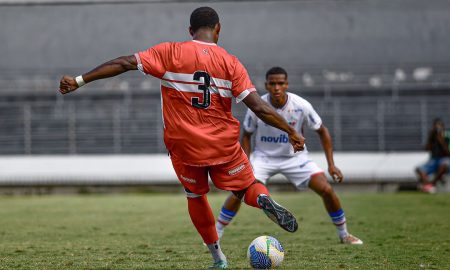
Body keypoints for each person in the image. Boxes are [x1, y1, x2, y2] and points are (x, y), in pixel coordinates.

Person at [59, 7, 305, 269]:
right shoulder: (231, 63)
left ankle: (218, 259)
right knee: (245, 188)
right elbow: (258, 107)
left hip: (185, 146)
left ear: (190, 31)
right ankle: (261, 199)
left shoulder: (170, 52)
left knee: (195, 195)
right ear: (218, 29)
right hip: (223, 145)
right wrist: (290, 131)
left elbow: (124, 63)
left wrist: (79, 80)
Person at [215, 67, 363, 245]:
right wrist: (246, 162)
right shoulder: (257, 105)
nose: (276, 87)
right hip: (263, 158)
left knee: (327, 189)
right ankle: (217, 232)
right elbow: (246, 135)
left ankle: (344, 234)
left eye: (280, 83)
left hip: (295, 158)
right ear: (266, 85)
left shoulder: (301, 105)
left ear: (287, 84)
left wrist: (331, 165)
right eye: (272, 84)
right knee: (239, 191)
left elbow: (323, 131)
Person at [416, 118, 450, 193]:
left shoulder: (447, 136)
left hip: (445, 159)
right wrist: (430, 137)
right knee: (420, 169)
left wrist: (441, 140)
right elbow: (427, 149)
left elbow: (448, 152)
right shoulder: (432, 137)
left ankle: (432, 184)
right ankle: (428, 186)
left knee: (443, 166)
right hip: (434, 160)